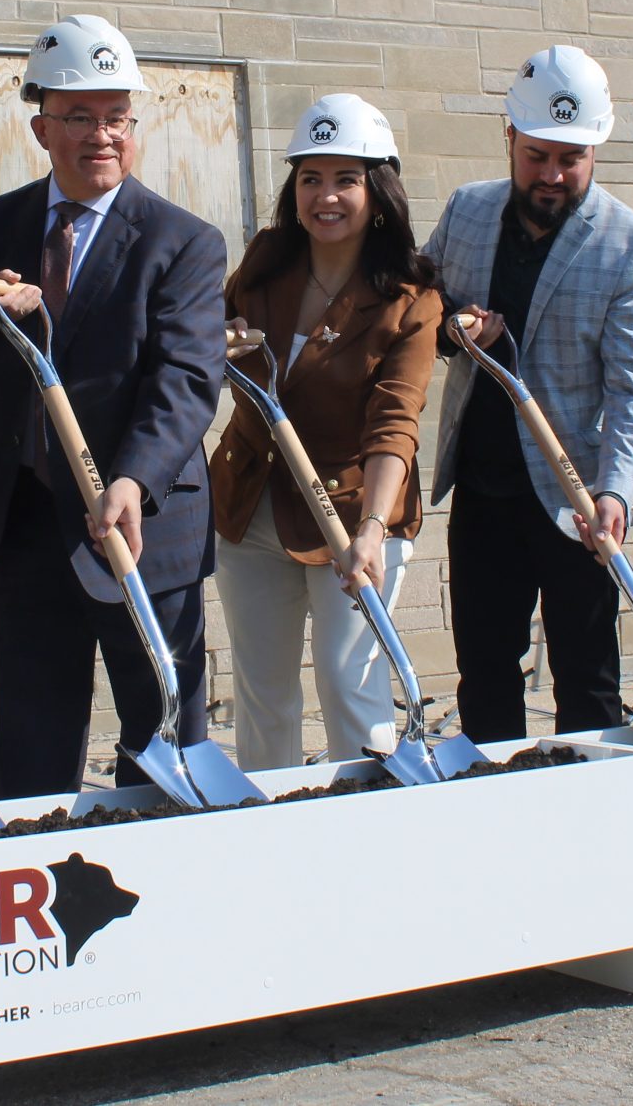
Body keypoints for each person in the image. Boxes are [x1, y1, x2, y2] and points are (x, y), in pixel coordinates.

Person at [0, 16, 225, 801]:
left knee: (162, 743)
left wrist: (132, 478)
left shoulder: (182, 240)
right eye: (80, 117)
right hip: (29, 525)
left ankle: (168, 888)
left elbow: (189, 378)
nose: (102, 135)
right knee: (28, 752)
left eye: (117, 117)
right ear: (41, 126)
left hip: (141, 527)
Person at [423, 46, 633, 742]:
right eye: (537, 156)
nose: (553, 175)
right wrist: (451, 328)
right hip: (483, 487)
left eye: (571, 159)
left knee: (587, 678)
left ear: (595, 148)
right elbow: (422, 314)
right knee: (485, 670)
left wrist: (616, 493)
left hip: (578, 497)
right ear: (509, 137)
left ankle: (589, 817)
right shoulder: (468, 212)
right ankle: (493, 803)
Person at [209, 95, 443, 769]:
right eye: (311, 178)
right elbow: (208, 342)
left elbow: (396, 419)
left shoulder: (410, 295)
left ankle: (361, 831)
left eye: (346, 178)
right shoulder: (267, 260)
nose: (326, 196)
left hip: (351, 511)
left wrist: (371, 528)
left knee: (351, 686)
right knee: (264, 694)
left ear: (379, 190)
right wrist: (217, 345)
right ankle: (268, 830)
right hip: (251, 506)